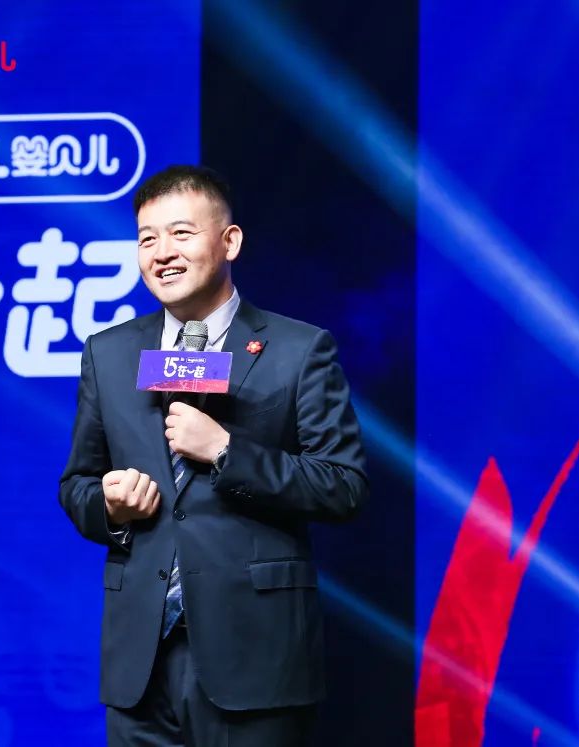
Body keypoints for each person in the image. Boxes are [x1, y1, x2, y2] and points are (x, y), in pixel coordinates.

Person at [59, 164, 369, 746]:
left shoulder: (299, 349)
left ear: (230, 241)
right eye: (147, 238)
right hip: (140, 662)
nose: (162, 253)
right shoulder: (109, 353)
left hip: (255, 655)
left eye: (181, 233)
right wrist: (110, 505)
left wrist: (227, 452)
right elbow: (77, 485)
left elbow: (342, 484)